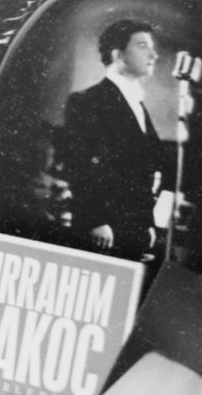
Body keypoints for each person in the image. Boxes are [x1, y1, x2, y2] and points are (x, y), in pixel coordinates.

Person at [58, 18, 168, 262]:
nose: (154, 54)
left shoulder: (137, 104)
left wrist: (146, 225)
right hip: (103, 230)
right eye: (142, 45)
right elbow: (77, 166)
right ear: (117, 54)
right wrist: (94, 221)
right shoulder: (87, 101)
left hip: (135, 231)